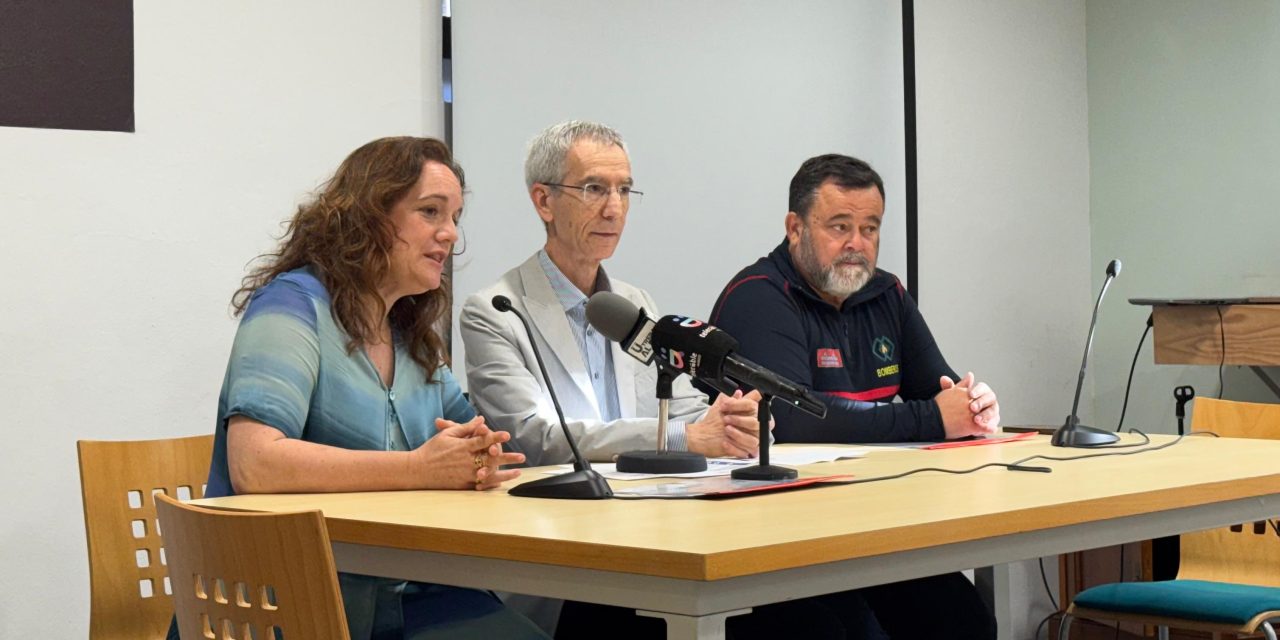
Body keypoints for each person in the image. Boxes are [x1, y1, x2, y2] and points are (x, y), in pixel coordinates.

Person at [460, 122, 884, 640]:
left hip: (661, 540)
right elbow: (536, 437)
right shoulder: (497, 311)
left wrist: (729, 425)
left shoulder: (635, 305)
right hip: (571, 565)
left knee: (827, 617)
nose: (614, 208)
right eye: (594, 188)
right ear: (543, 201)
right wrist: (686, 437)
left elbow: (686, 411)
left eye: (624, 190)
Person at [169, 137, 548, 640]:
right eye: (430, 212)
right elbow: (255, 464)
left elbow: (476, 438)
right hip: (288, 600)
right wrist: (419, 469)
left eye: (455, 216)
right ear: (368, 217)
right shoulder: (291, 308)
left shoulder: (408, 335)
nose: (450, 234)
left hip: (412, 589)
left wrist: (481, 455)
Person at [707, 153, 999, 638]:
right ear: (795, 228)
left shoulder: (886, 294)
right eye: (839, 226)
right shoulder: (758, 296)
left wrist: (975, 407)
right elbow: (789, 419)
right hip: (776, 546)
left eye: (870, 228)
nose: (856, 245)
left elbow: (943, 392)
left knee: (963, 619)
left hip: (870, 527)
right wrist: (933, 419)